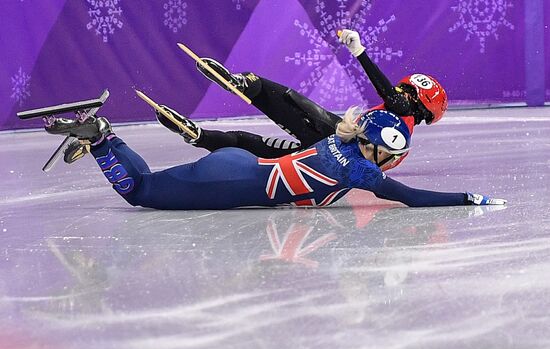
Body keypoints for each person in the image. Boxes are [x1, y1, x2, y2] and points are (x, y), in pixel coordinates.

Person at [65, 29, 446, 172]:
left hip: (333, 138)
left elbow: (388, 95)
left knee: (283, 96)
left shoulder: (401, 122)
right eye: (405, 89)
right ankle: (198, 136)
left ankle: (243, 85)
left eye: (411, 95)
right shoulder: (401, 127)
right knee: (251, 145)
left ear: (420, 110)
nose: (402, 94)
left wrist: (360, 52)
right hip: (321, 159)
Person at [44, 102, 505, 210]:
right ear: (376, 151)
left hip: (238, 163)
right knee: (140, 192)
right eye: (388, 152)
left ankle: (105, 139)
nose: (388, 161)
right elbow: (411, 197)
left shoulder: (345, 137)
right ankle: (102, 137)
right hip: (231, 182)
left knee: (153, 182)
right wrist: (468, 198)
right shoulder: (363, 170)